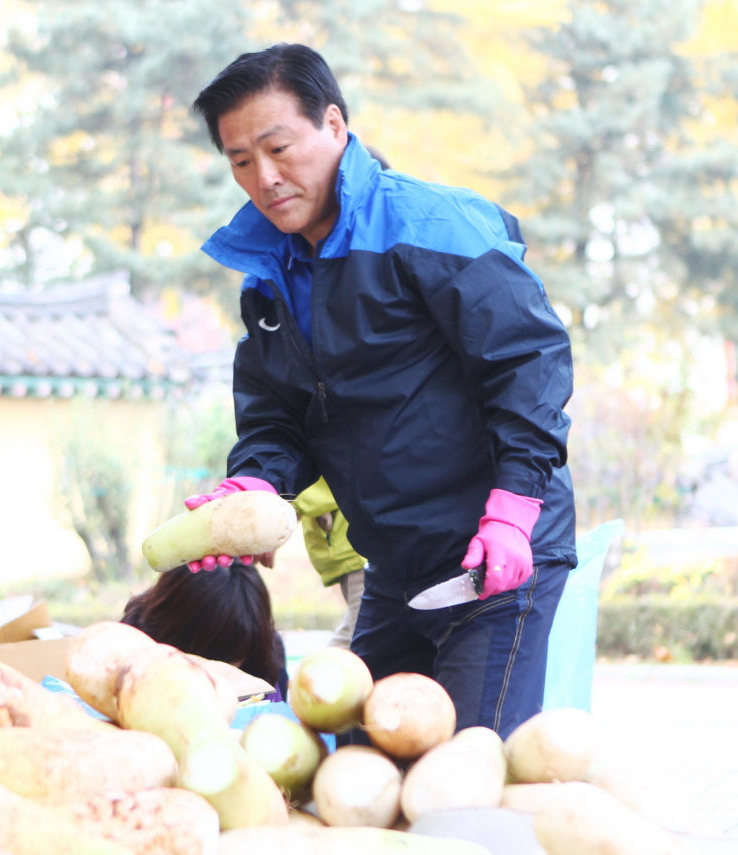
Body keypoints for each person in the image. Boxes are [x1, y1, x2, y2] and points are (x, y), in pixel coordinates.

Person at [185, 44, 577, 738]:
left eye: (278, 147)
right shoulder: (268, 275)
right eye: (240, 161)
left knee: (466, 774)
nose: (265, 177)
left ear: (333, 125)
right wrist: (252, 484)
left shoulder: (430, 226)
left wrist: (514, 505)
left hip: (493, 554)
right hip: (394, 569)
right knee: (359, 762)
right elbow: (279, 418)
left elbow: (528, 358)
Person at [121, 562, 288, 698]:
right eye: (202, 659)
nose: (214, 677)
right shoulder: (127, 659)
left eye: (229, 660)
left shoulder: (266, 657)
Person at [293, 478, 366, 648]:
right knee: (354, 637)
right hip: (350, 555)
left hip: (359, 552)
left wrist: (285, 507)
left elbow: (342, 473)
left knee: (362, 643)